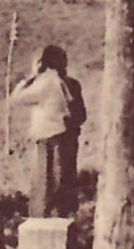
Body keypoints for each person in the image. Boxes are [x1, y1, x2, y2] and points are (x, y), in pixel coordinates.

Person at [10, 46, 83, 218]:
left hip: (48, 137)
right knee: (63, 177)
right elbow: (80, 114)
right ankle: (62, 215)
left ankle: (44, 216)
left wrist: (31, 77)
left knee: (44, 180)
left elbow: (16, 98)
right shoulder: (68, 83)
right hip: (65, 137)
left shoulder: (45, 83)